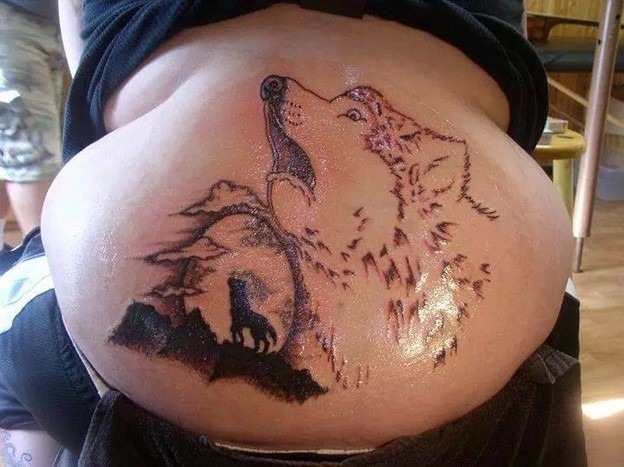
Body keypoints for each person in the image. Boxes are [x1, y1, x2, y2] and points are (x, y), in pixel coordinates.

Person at [1, 1, 586, 465]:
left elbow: (90, 64)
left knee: (13, 363)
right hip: (503, 394)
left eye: (350, 116)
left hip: (104, 380)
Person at [0, 0, 63, 242]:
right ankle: (40, 257)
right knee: (33, 155)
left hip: (52, 23)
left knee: (12, 154)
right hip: (12, 19)